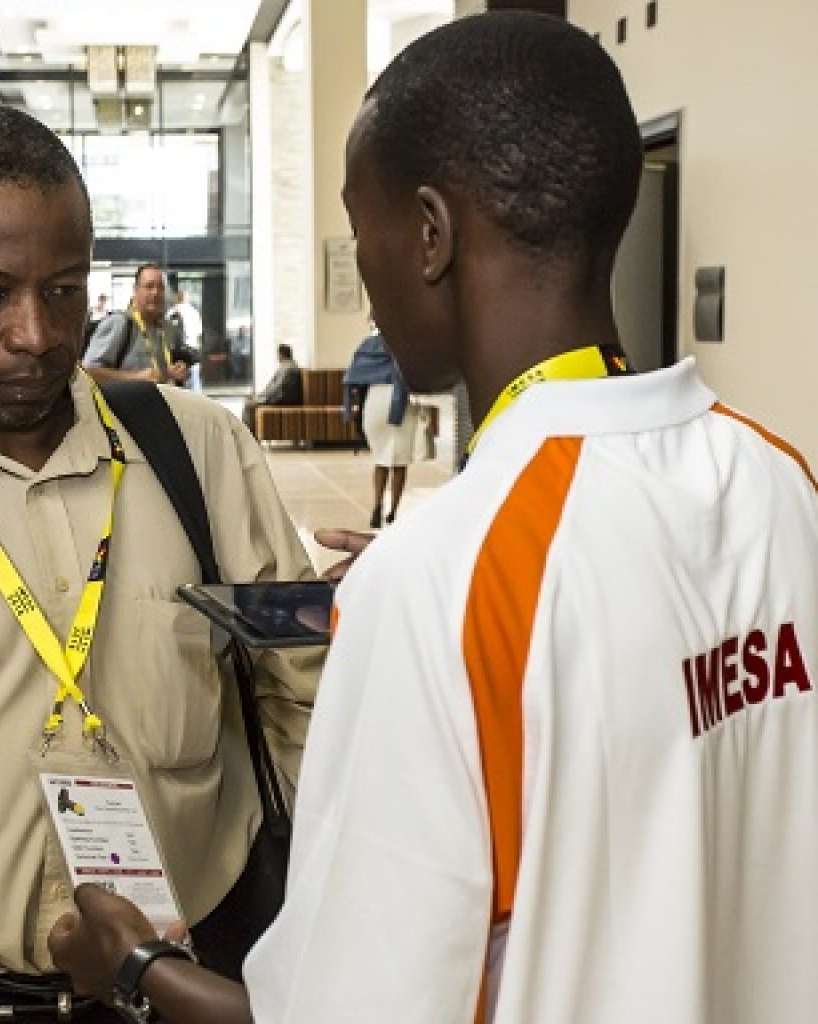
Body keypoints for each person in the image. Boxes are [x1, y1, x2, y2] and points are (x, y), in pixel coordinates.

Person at [48, 12, 818, 1024]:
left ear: (428, 233)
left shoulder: (436, 587)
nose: (363, 278)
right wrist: (467, 574)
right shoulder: (780, 480)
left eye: (358, 226)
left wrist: (133, 962)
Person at [0, 102, 321, 1023]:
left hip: (195, 980)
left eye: (66, 290)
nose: (35, 333)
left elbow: (303, 700)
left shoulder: (201, 452)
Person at [343, 325, 418, 527]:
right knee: (399, 462)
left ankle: (377, 505)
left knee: (381, 459)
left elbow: (352, 376)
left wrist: (351, 408)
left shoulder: (367, 344)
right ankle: (393, 511)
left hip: (375, 400)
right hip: (400, 401)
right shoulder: (405, 343)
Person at [83, 264, 190, 386]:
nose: (155, 293)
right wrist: (135, 378)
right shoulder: (119, 323)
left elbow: (162, 373)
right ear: (135, 289)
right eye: (149, 286)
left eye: (160, 287)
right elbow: (89, 372)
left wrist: (179, 371)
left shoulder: (167, 328)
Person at [241, 344, 303, 438]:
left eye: (278, 354)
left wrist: (260, 397)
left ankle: (246, 436)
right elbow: (274, 386)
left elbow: (277, 388)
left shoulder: (288, 368)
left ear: (281, 355)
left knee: (248, 405)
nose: (277, 357)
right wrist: (259, 395)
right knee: (250, 402)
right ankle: (249, 435)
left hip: (282, 399)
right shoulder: (288, 366)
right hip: (280, 397)